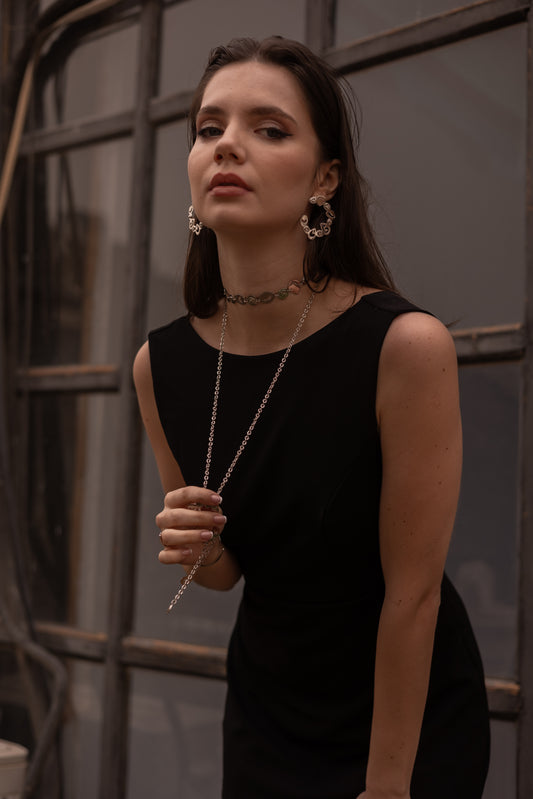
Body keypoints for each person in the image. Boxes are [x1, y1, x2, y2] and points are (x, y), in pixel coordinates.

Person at [133, 36, 490, 799]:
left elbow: (413, 594)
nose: (227, 144)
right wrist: (199, 543)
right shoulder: (158, 363)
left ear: (325, 177)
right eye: (208, 127)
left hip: (401, 722)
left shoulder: (402, 345)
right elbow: (223, 575)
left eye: (268, 128)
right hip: (265, 709)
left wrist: (387, 786)